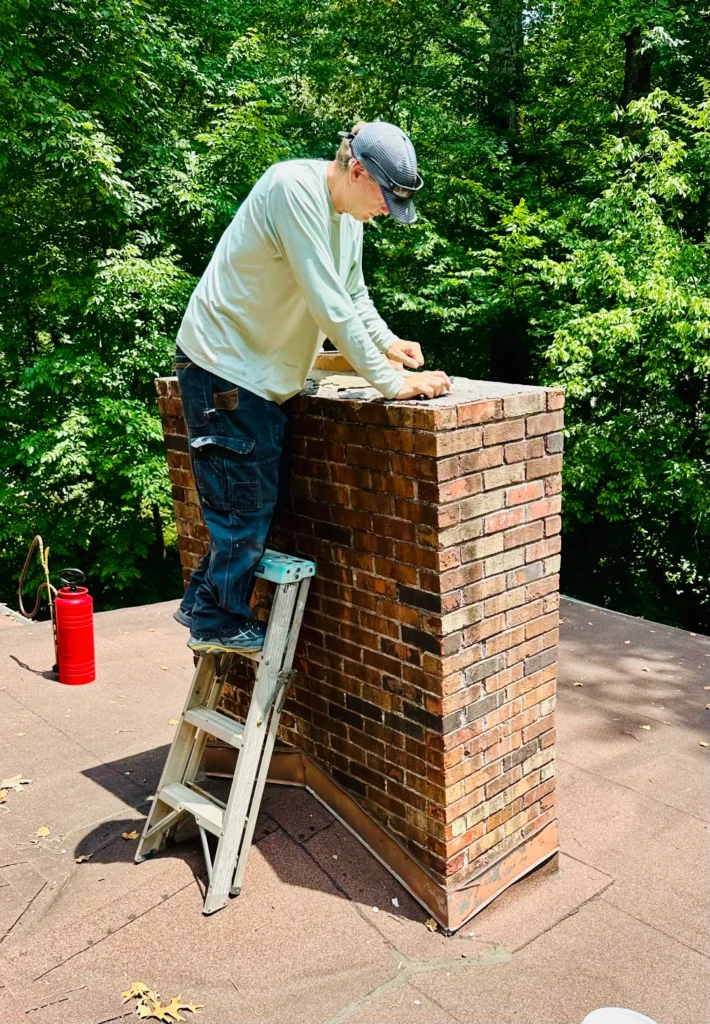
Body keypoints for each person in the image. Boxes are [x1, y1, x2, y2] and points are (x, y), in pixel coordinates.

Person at [173, 120, 451, 654]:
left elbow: (353, 295)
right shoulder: (292, 190)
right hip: (224, 366)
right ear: (357, 170)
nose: (385, 216)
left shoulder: (349, 218)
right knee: (244, 509)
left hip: (258, 373)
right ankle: (215, 620)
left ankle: (203, 604)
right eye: (385, 202)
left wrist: (391, 344)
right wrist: (392, 384)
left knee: (251, 502)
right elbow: (328, 305)